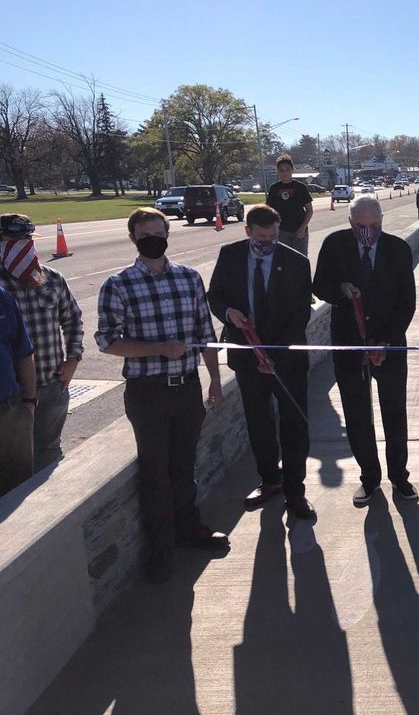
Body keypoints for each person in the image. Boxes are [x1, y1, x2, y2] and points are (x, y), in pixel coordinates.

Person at [96, 207, 229, 584]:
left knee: (184, 466)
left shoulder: (188, 279)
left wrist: (214, 380)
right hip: (148, 393)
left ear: (168, 234)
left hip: (186, 388)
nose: (153, 239)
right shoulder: (118, 285)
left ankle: (189, 530)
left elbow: (204, 334)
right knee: (155, 473)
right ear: (133, 239)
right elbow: (108, 341)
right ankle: (161, 549)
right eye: (144, 235)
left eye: (159, 232)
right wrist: (157, 348)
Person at [208, 204, 315, 520]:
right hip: (245, 358)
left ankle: (295, 493)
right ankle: (270, 480)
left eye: (271, 236)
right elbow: (215, 296)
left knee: (294, 426)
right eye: (260, 237)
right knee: (259, 422)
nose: (266, 242)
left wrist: (274, 356)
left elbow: (300, 315)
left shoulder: (296, 262)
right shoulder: (230, 256)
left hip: (287, 360)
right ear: (247, 232)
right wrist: (228, 314)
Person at [312, 195, 417, 507]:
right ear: (350, 222)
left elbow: (406, 302)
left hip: (390, 344)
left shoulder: (398, 249)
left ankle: (400, 476)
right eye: (361, 226)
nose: (368, 232)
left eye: (374, 225)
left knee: (394, 413)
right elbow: (319, 286)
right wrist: (342, 290)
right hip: (348, 344)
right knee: (357, 414)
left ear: (382, 220)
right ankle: (369, 477)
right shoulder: (334, 244)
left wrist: (387, 339)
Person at [0, 213, 84, 471]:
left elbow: (73, 320)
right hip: (12, 394)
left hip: (51, 383)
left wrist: (73, 358)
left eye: (27, 238)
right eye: (13, 239)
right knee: (14, 464)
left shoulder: (52, 278)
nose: (22, 244)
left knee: (48, 454)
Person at [0, 283, 35, 495]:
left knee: (20, 489)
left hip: (9, 412)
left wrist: (30, 402)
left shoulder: (2, 297)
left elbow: (23, 351)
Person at [265, 154, 314, 256]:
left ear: (292, 170)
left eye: (287, 169)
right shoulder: (274, 188)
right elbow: (268, 211)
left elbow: (309, 210)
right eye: (281, 170)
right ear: (278, 172)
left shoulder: (301, 187)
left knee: (300, 260)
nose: (285, 172)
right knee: (283, 261)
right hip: (281, 232)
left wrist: (302, 228)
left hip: (299, 231)